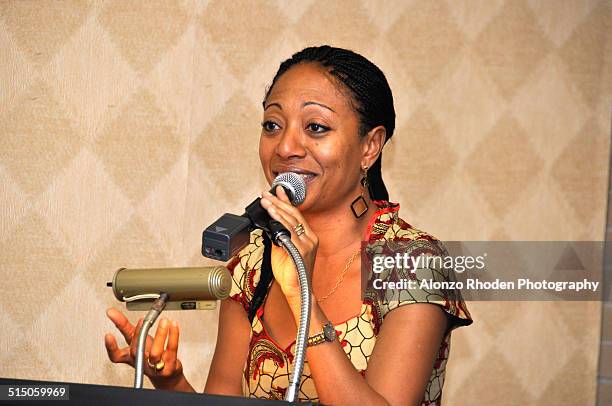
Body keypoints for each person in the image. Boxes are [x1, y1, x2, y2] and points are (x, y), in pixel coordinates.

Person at [105, 45, 472, 405]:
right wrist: (170, 382)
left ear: (370, 147)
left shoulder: (412, 261)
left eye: (315, 127)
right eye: (272, 125)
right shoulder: (251, 263)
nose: (284, 147)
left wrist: (303, 297)